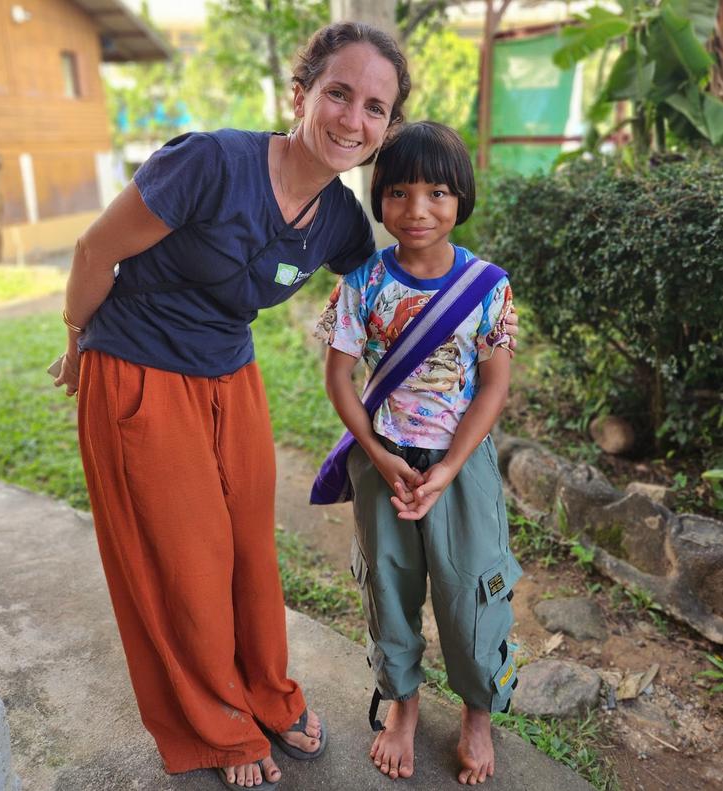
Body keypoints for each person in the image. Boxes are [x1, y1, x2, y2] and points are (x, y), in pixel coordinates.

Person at [53, 21, 518, 788]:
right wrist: (77, 337)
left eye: (374, 107)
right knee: (184, 561)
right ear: (300, 95)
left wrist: (470, 301)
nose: (352, 119)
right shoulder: (210, 163)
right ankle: (217, 727)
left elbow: (395, 280)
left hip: (229, 373)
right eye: (338, 93)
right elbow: (94, 250)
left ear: (386, 127)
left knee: (248, 551)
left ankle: (267, 691)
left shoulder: (340, 220)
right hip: (139, 365)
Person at [315, 121, 522, 786]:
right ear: (380, 198)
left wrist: (451, 466)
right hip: (385, 461)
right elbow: (338, 377)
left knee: (471, 589)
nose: (417, 209)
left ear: (461, 198)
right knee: (388, 582)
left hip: (461, 465)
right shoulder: (362, 283)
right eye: (399, 192)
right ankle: (402, 702)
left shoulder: (488, 286)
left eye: (437, 192)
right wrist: (378, 457)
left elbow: (494, 385)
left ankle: (477, 711)